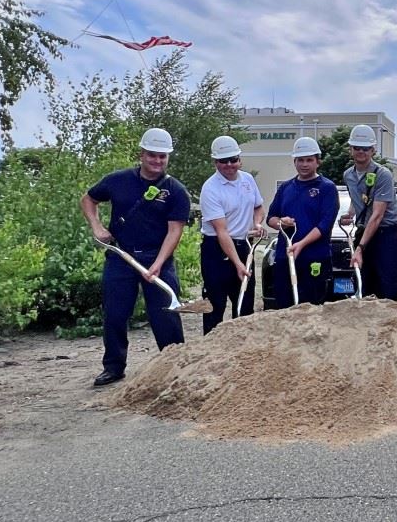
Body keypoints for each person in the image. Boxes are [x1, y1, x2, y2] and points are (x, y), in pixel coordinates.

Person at [80, 128, 189, 387]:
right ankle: (114, 367)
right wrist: (96, 226)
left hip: (158, 257)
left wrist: (159, 263)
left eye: (162, 157)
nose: (157, 161)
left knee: (166, 315)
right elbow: (88, 199)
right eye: (152, 155)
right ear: (142, 154)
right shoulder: (117, 181)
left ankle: (175, 366)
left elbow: (174, 231)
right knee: (115, 314)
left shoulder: (175, 190)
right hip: (121, 257)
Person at [198, 135, 265, 333]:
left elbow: (258, 207)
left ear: (239, 159)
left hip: (244, 245)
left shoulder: (248, 180)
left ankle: (243, 351)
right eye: (223, 161)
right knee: (215, 305)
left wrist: (258, 223)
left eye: (233, 160)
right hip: (216, 249)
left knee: (244, 302)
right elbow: (221, 232)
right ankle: (211, 352)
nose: (229, 165)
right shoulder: (210, 189)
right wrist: (238, 264)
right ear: (215, 162)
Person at [266, 137, 339, 307]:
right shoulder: (286, 188)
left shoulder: (326, 188)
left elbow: (325, 224)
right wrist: (281, 223)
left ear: (317, 162)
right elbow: (271, 218)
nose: (304, 164)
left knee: (312, 308)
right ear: (294, 162)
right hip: (286, 257)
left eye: (309, 160)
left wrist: (301, 244)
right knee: (284, 305)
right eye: (300, 160)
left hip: (314, 257)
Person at [340, 124, 397, 300]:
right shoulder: (348, 175)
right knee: (365, 284)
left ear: (373, 150)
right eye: (357, 148)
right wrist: (351, 213)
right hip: (363, 231)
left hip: (385, 234)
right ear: (350, 149)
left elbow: (377, 216)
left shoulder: (383, 174)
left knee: (388, 287)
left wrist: (360, 248)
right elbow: (357, 198)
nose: (361, 152)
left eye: (366, 148)